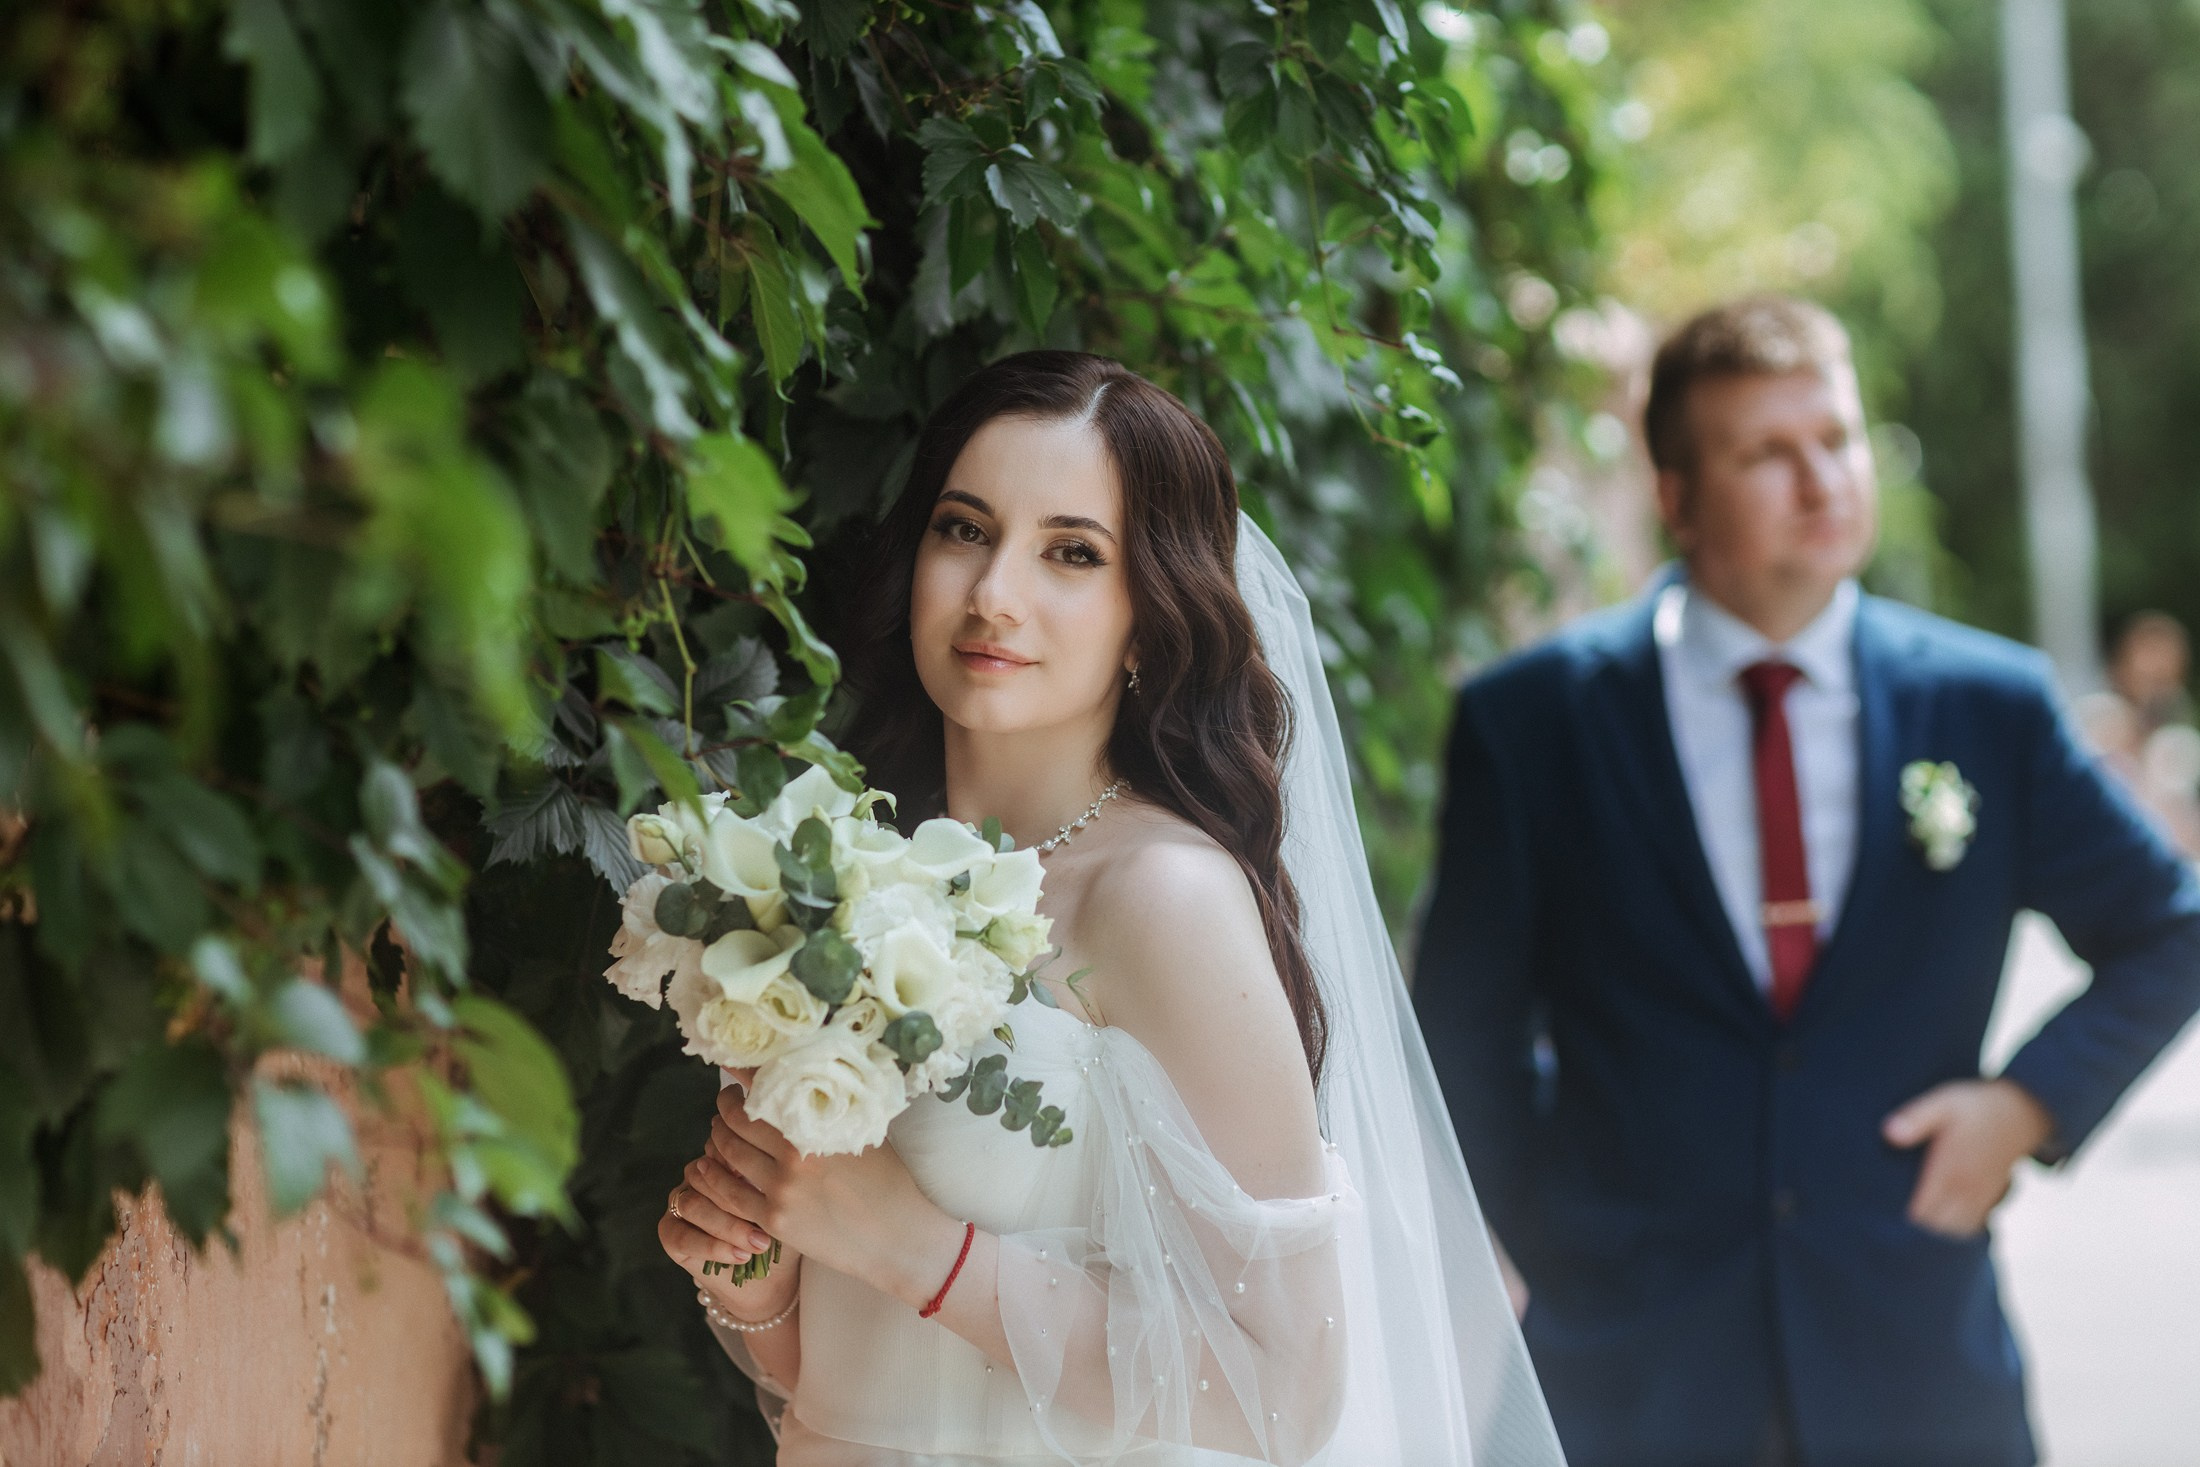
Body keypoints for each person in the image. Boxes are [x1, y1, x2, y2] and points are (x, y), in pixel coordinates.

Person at [653, 352, 1563, 1464]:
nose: (995, 594)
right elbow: (852, 1383)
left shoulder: (1163, 899)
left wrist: (915, 1249)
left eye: (1071, 553)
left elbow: (1285, 1391)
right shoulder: (849, 877)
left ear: (1147, 617)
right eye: (964, 530)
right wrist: (748, 1272)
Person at [1412, 297, 2200, 1467]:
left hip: (1915, 1364)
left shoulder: (1988, 706)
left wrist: (2025, 1107)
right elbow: (1457, 1030)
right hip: (1628, 1375)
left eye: (1834, 440)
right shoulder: (1532, 726)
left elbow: (2169, 929)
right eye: (1765, 454)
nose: (1819, 479)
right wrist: (1562, 1231)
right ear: (1676, 498)